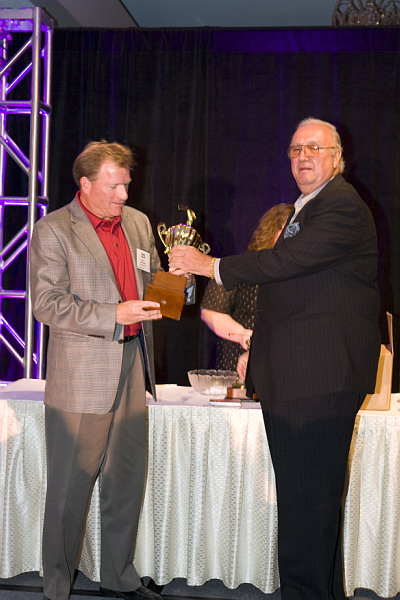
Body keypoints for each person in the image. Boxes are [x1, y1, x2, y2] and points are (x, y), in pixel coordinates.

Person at [169, 118, 381, 600]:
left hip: (316, 378)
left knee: (307, 505)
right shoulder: (311, 207)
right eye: (295, 149)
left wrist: (208, 266)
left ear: (336, 157)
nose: (303, 157)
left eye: (314, 149)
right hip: (302, 376)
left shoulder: (341, 205)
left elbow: (284, 263)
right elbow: (293, 292)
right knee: (312, 506)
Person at [30, 141, 191, 600]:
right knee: (69, 488)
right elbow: (47, 303)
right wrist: (112, 314)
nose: (124, 194)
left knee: (126, 480)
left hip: (134, 364)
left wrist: (180, 281)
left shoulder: (136, 222)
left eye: (126, 184)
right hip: (82, 374)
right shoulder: (54, 229)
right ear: (85, 184)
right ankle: (56, 587)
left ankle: (118, 577)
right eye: (114, 185)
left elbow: (153, 282)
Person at [200, 203, 293, 371]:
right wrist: (244, 335)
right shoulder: (244, 267)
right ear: (271, 231)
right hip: (239, 361)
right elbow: (211, 310)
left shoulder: (302, 273)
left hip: (286, 360)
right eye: (288, 231)